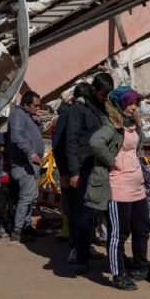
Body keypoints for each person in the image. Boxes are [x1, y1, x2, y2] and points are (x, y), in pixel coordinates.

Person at [88, 86, 149, 291]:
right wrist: (112, 161)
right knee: (118, 234)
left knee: (141, 229)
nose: (134, 107)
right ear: (120, 103)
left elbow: (136, 149)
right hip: (119, 188)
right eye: (130, 103)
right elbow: (95, 143)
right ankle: (118, 274)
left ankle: (141, 267)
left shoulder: (133, 124)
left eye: (136, 103)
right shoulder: (112, 125)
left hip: (137, 188)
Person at [66, 74, 113, 273]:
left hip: (105, 169)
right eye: (103, 94)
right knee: (84, 215)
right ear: (94, 90)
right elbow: (71, 141)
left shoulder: (106, 109)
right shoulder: (79, 110)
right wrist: (74, 171)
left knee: (111, 215)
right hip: (86, 169)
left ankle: (114, 257)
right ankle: (82, 257)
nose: (105, 97)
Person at [52, 82, 93, 262]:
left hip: (84, 170)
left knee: (85, 211)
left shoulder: (87, 113)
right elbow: (59, 146)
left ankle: (85, 245)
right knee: (75, 210)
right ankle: (76, 248)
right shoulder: (68, 114)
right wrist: (64, 172)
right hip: (72, 172)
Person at [8, 91, 45, 243]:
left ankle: (27, 227)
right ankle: (17, 232)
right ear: (26, 104)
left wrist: (38, 123)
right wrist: (31, 152)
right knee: (25, 199)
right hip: (24, 165)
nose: (37, 108)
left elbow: (35, 133)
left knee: (29, 198)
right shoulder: (17, 115)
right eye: (35, 105)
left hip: (30, 164)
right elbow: (16, 136)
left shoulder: (26, 115)